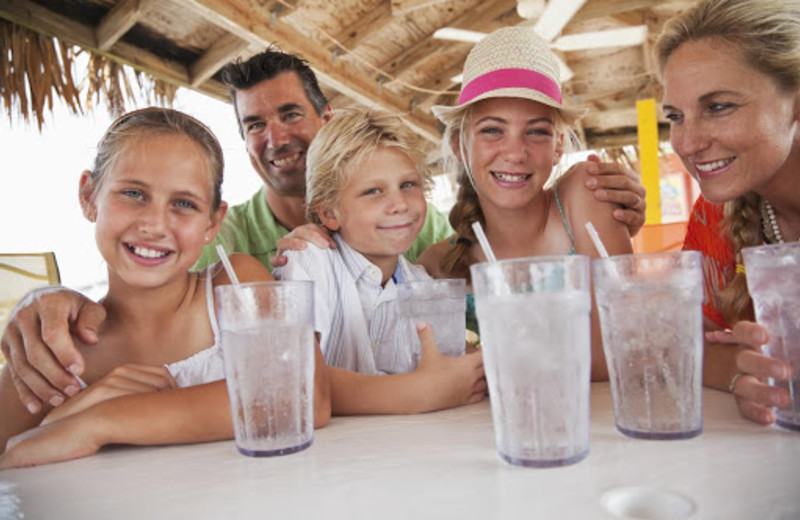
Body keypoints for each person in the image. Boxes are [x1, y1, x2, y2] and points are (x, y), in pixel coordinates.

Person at [1, 46, 646, 417]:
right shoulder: (227, 249)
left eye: (289, 114)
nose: (276, 137)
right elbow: (142, 289)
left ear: (326, 120)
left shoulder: (431, 253)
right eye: (254, 124)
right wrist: (44, 299)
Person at [0, 108, 331, 464]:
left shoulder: (233, 284)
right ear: (88, 195)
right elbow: (11, 456)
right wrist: (57, 420)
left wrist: (101, 420)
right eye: (133, 194)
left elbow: (303, 397)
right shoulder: (56, 353)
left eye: (184, 203)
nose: (155, 224)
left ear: (212, 223)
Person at [415, 27, 634, 381]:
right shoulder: (437, 266)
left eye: (536, 131)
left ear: (558, 146)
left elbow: (620, 348)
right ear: (459, 145)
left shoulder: (584, 193)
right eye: (492, 130)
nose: (515, 153)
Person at [272, 107, 485, 413]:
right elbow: (295, 379)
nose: (399, 204)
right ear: (329, 213)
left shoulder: (423, 284)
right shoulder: (309, 262)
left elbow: (455, 369)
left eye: (408, 185)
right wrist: (417, 393)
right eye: (373, 191)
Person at [655, 0, 799, 424]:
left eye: (718, 107)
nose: (686, 142)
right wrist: (743, 371)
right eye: (676, 116)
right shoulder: (716, 215)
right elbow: (680, 342)